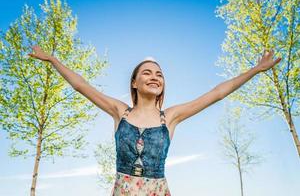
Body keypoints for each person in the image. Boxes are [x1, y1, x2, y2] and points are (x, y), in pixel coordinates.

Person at [28, 46, 281, 195]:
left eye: (159, 74)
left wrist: (255, 70)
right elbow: (81, 85)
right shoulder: (120, 112)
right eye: (146, 72)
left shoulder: (169, 117)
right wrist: (52, 60)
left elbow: (217, 93)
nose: (154, 77)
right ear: (134, 82)